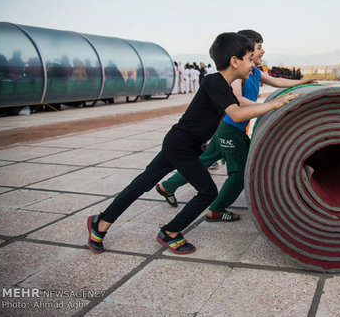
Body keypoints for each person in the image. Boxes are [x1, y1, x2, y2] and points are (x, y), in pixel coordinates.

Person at [86, 33, 301, 255]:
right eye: (248, 58)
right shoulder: (213, 81)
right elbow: (236, 114)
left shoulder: (223, 86)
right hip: (180, 145)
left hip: (182, 144)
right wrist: (275, 104)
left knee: (142, 183)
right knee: (207, 192)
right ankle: (169, 232)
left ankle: (100, 222)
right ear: (235, 61)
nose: (251, 64)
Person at [155, 29, 316, 222]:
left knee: (203, 161)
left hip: (228, 128)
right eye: (258, 48)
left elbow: (276, 81)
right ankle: (216, 209)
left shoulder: (255, 72)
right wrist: (269, 106)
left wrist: (301, 81)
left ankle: (167, 186)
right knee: (240, 173)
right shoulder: (239, 76)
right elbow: (237, 100)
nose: (262, 51)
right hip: (231, 128)